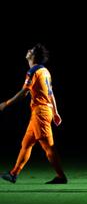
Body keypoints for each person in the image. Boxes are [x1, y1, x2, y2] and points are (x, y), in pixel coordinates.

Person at [0, 44, 67, 184]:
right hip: (41, 112)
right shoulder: (46, 71)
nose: (27, 51)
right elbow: (51, 93)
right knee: (26, 143)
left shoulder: (33, 71)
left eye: (30, 50)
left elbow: (24, 93)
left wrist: (5, 104)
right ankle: (14, 173)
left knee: (48, 146)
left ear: (34, 56)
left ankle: (61, 177)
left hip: (41, 112)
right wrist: (56, 112)